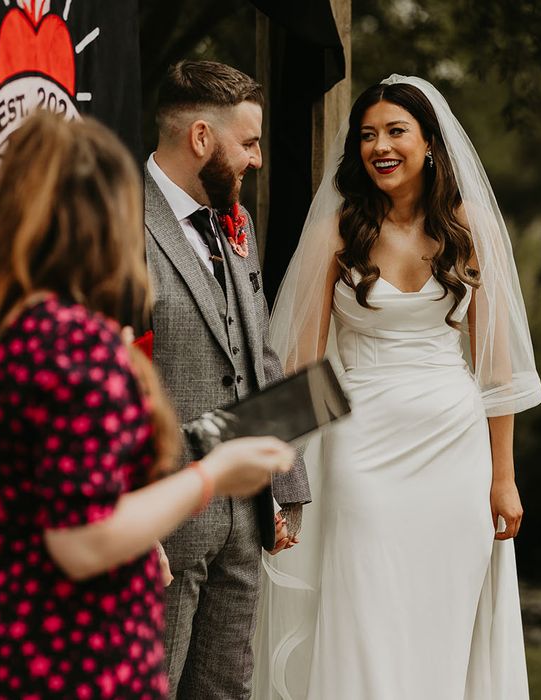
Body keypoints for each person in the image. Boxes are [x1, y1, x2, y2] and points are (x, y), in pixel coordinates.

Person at [0, 111, 295, 700]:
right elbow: (82, 541)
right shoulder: (75, 344)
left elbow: (46, 490)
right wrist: (214, 473)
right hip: (69, 654)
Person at [252, 75, 541, 699]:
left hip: (455, 451)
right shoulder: (341, 226)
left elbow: (494, 368)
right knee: (366, 611)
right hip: (363, 443)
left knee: (443, 618)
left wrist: (503, 476)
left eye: (394, 131)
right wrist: (280, 474)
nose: (379, 146)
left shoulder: (467, 226)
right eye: (366, 135)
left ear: (430, 143)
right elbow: (304, 361)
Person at [144, 60, 310, 698]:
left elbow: (257, 355)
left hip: (243, 518)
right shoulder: (116, 221)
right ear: (202, 140)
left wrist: (286, 477)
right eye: (249, 142)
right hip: (160, 517)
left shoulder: (230, 223)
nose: (259, 159)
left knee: (225, 690)